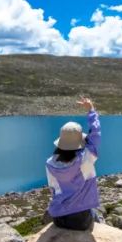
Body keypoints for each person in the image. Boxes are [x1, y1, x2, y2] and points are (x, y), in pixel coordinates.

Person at [45, 96, 102, 230]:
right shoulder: (85, 160)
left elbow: (54, 189)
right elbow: (95, 136)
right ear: (79, 142)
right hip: (79, 220)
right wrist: (91, 111)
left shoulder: (50, 163)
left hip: (58, 218)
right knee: (98, 217)